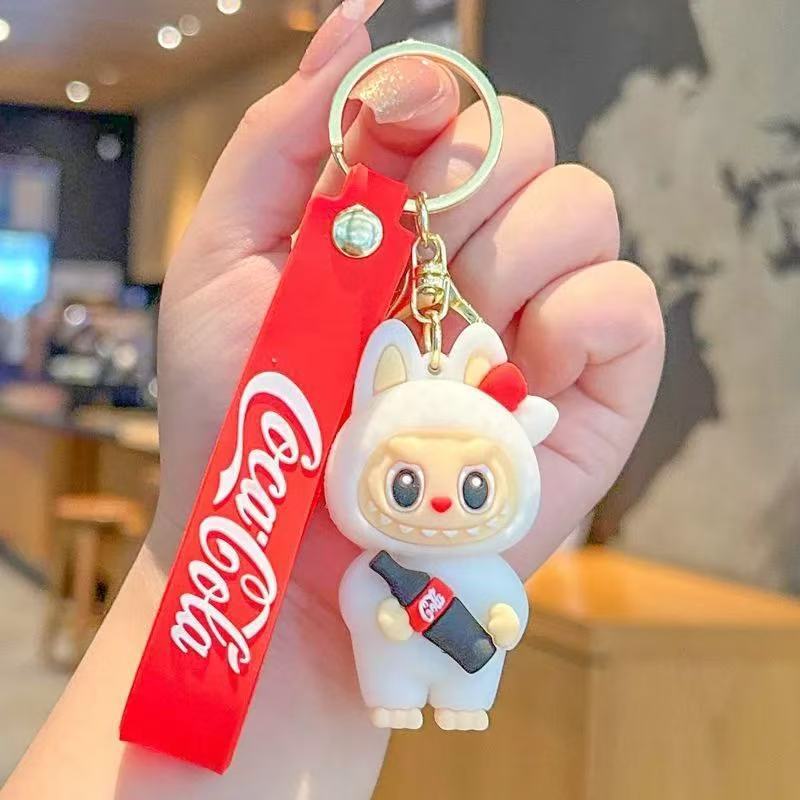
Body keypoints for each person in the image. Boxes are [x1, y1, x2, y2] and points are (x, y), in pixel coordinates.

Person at [2, 1, 664, 798]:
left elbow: (486, 611)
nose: (442, 501)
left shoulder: (430, 518)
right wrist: (267, 590)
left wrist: (303, 643)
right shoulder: (355, 492)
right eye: (411, 485)